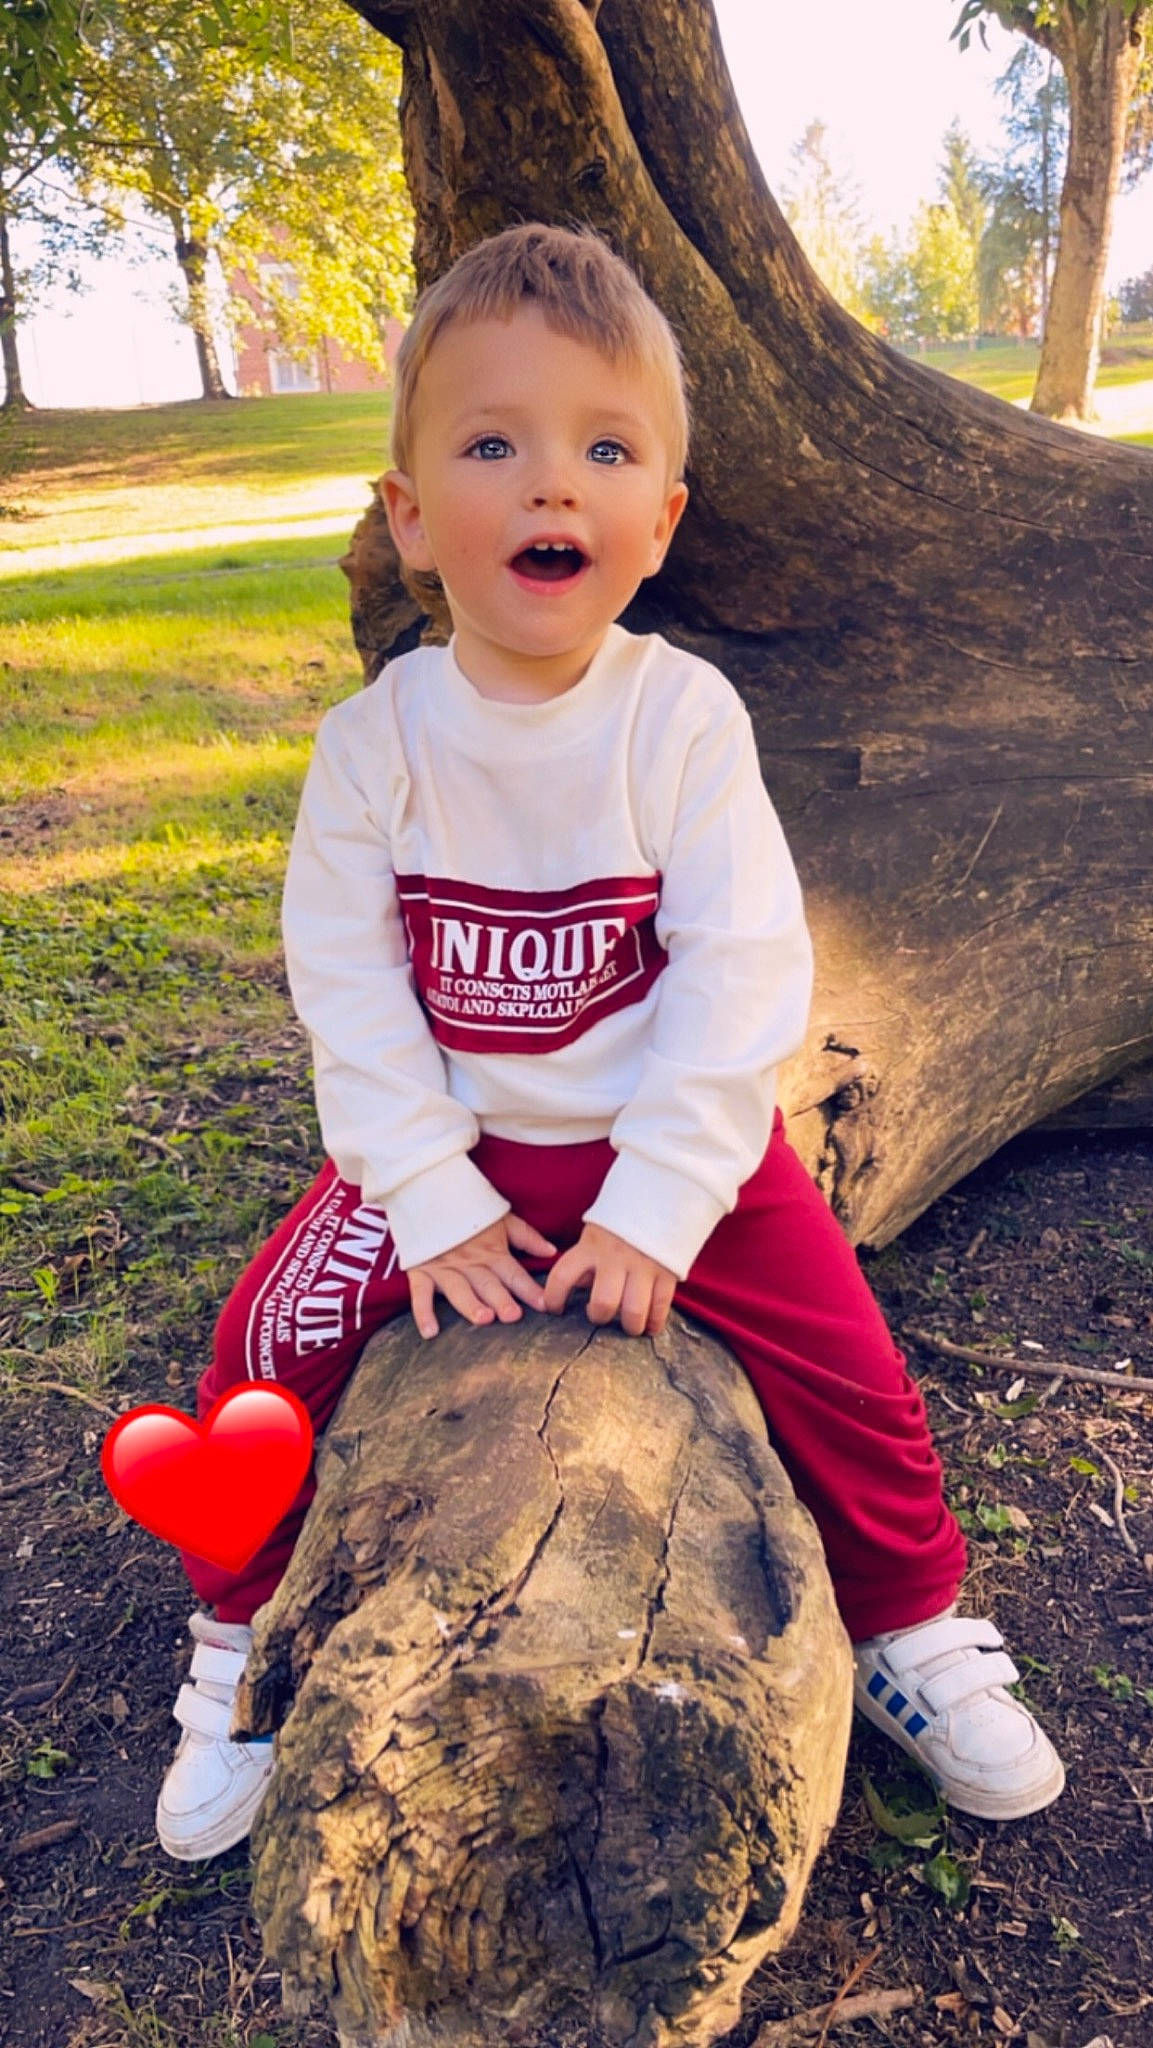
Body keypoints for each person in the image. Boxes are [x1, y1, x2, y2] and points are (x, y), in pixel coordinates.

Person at [156, 222, 1065, 1863]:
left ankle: (911, 1626)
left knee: (845, 1358)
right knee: (260, 1344)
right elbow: (346, 992)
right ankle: (234, 1650)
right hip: (452, 1142)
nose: (549, 487)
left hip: (658, 1142)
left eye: (602, 448)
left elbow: (737, 974)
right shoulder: (375, 751)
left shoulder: (677, 717)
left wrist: (659, 1204)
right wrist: (426, 1196)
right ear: (413, 518)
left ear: (661, 515)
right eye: (492, 446)